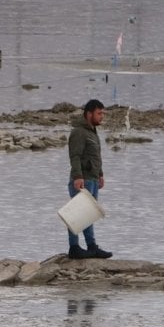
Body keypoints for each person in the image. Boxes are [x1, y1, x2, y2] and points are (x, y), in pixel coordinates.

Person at [66, 99, 113, 259]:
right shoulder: (79, 131)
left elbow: (95, 155)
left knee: (89, 215)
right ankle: (74, 247)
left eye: (102, 113)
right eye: (99, 113)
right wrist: (78, 177)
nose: (102, 117)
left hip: (92, 179)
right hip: (82, 180)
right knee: (77, 215)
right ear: (89, 113)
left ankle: (92, 247)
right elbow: (75, 156)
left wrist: (100, 174)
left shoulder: (92, 131)